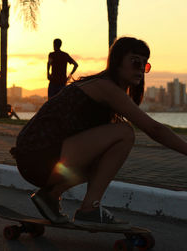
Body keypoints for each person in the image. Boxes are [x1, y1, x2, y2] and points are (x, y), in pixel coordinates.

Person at [10, 37, 187, 228]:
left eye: (145, 65)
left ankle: (50, 196)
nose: (140, 69)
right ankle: (89, 209)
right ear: (118, 60)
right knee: (124, 134)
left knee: (108, 154)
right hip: (38, 157)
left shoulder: (104, 87)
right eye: (136, 61)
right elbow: (155, 129)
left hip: (39, 158)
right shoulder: (105, 87)